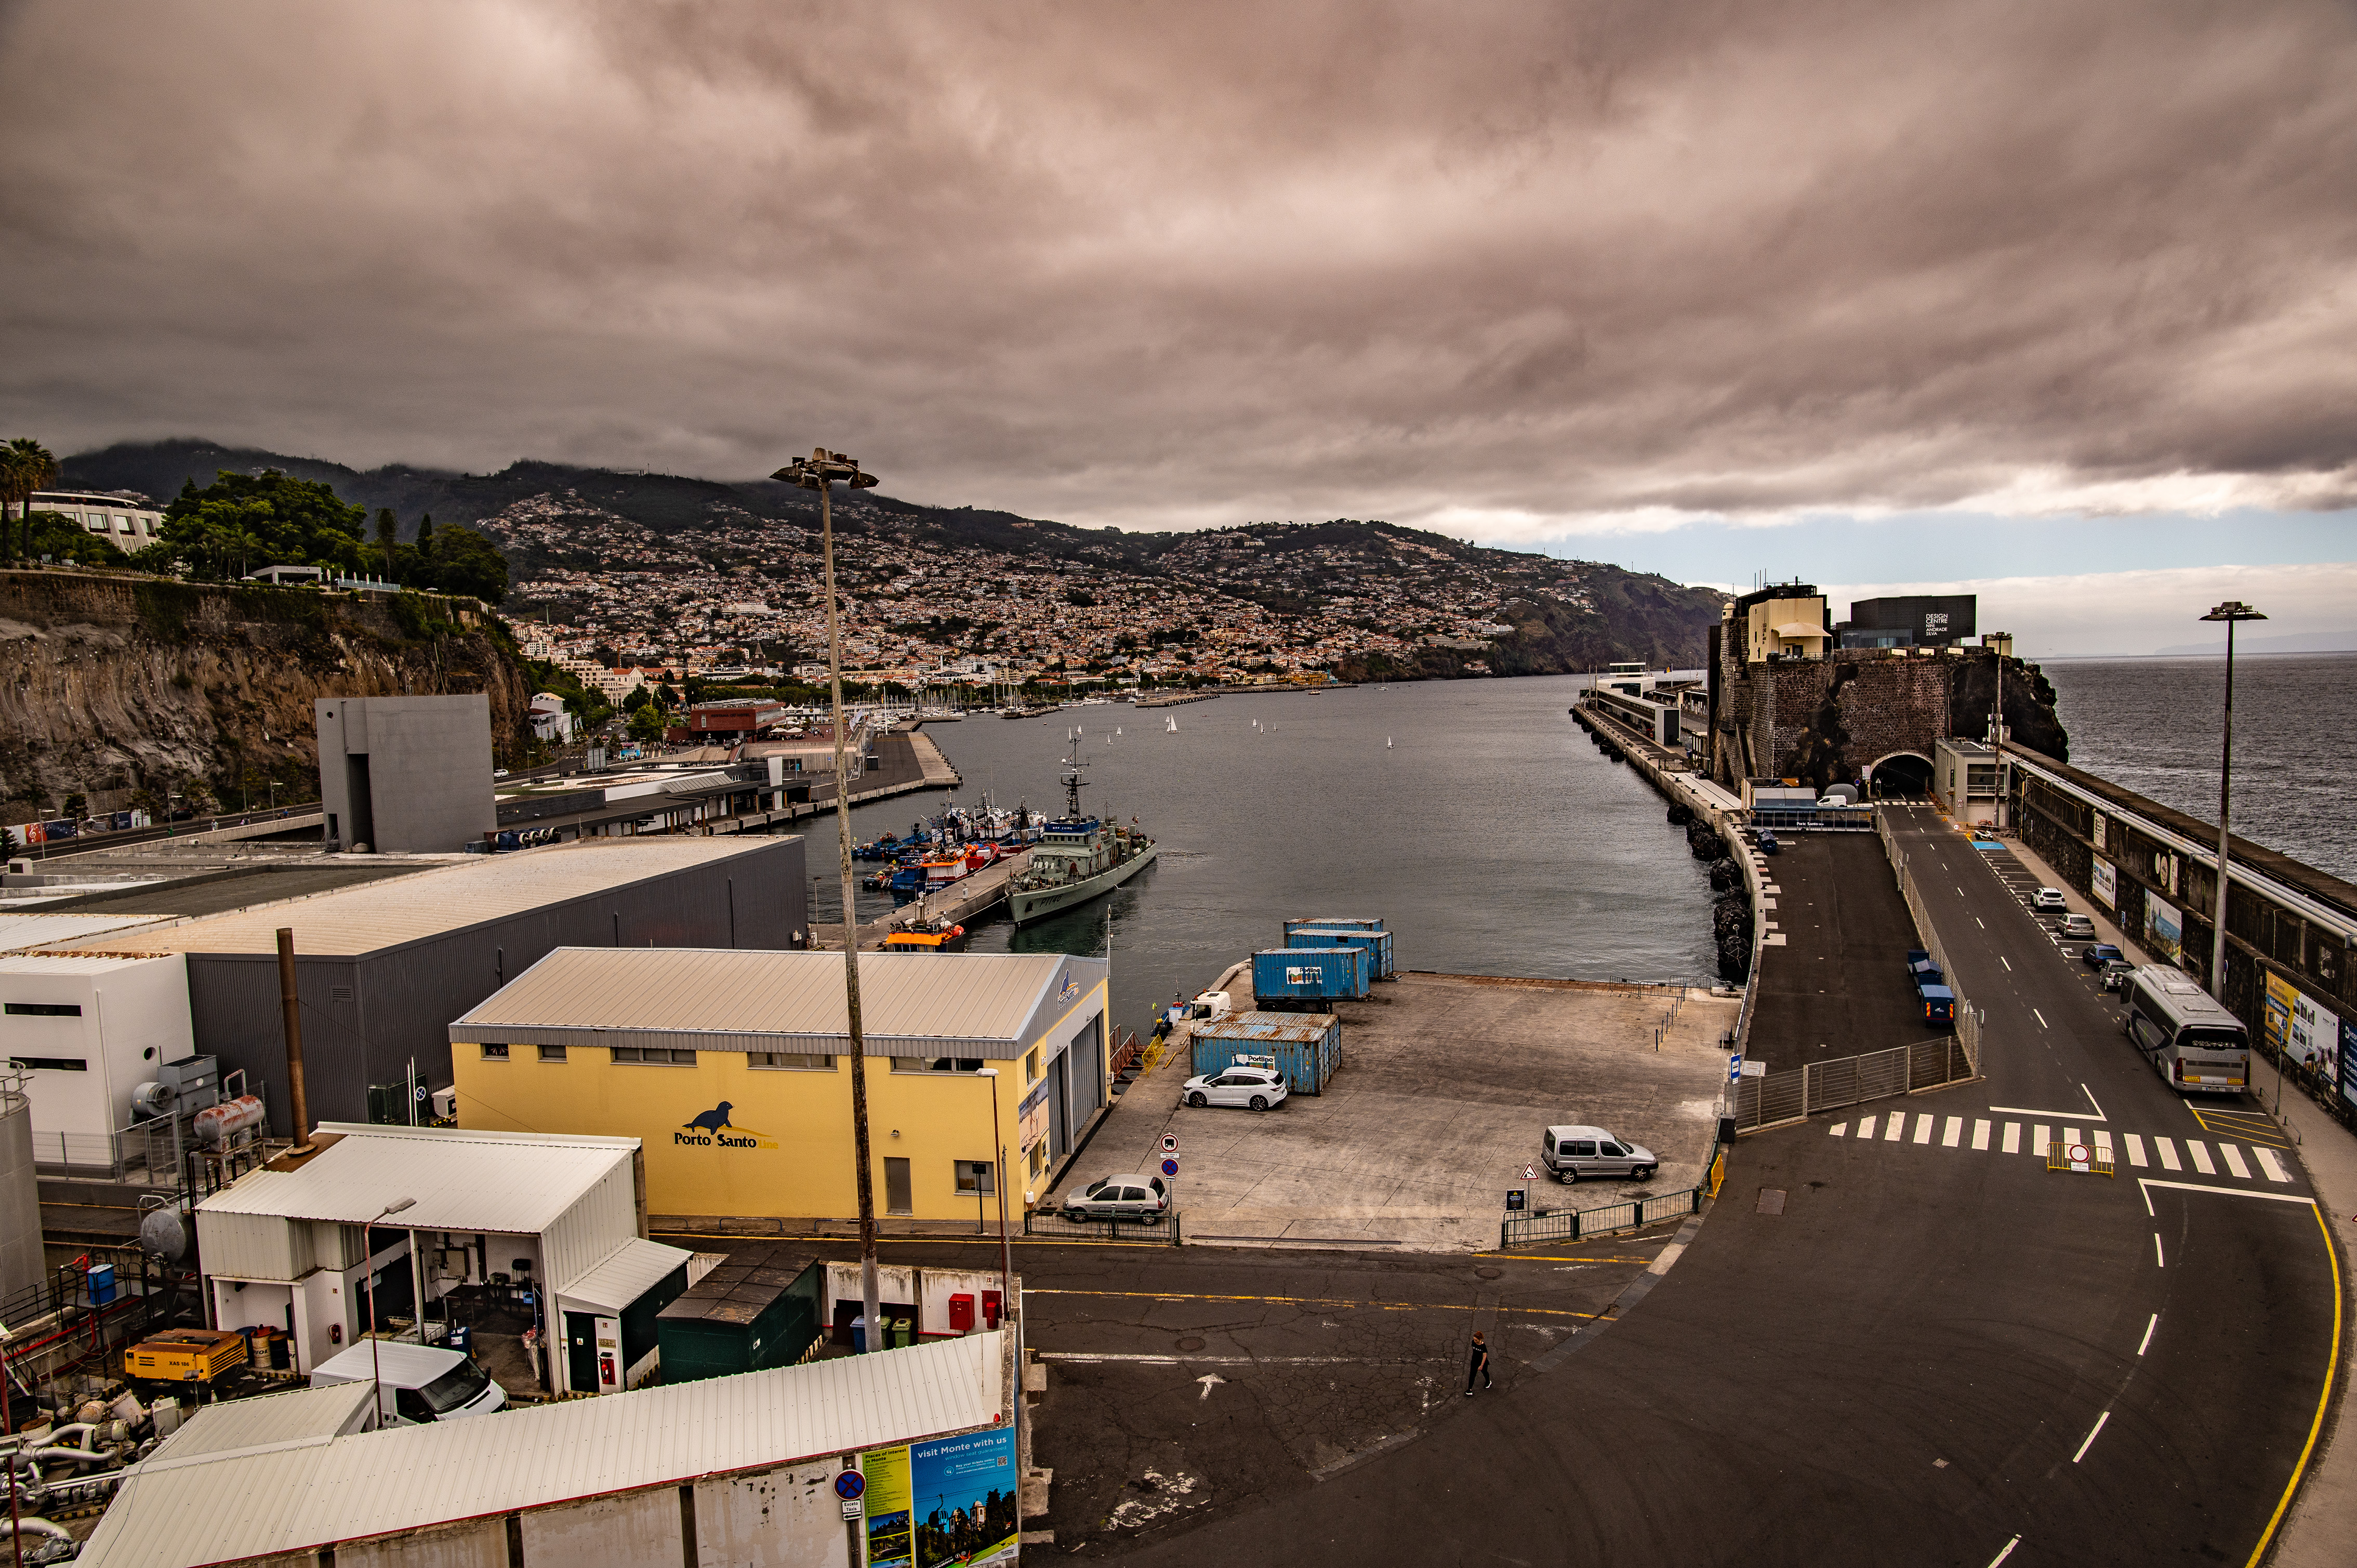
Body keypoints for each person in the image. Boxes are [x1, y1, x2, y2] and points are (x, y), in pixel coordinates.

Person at [1465, 1330, 1490, 1396]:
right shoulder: (1473, 1342)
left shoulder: (1483, 1346)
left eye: (1476, 1340)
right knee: (1472, 1375)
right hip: (1474, 1362)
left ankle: (1488, 1382)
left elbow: (1484, 1356)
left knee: (1485, 1373)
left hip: (1482, 1362)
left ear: (1480, 1339)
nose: (1474, 1341)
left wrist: (1481, 1365)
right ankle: (1470, 1390)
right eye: (1474, 1339)